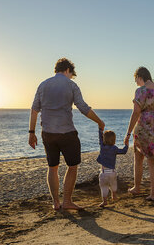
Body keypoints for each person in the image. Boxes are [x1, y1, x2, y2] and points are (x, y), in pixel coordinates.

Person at [28, 58, 105, 210]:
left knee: (52, 167)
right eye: (71, 74)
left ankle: (56, 203)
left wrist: (31, 133)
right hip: (66, 133)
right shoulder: (71, 85)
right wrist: (99, 122)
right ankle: (67, 201)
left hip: (48, 133)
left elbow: (34, 110)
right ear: (68, 70)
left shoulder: (43, 85)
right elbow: (83, 108)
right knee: (72, 166)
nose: (71, 77)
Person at [124, 67, 154, 201]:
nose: (136, 83)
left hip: (144, 129)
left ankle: (137, 188)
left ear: (139, 77)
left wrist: (128, 132)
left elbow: (136, 112)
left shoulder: (140, 91)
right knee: (152, 161)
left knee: (138, 158)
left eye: (136, 80)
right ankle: (152, 193)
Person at [97, 129, 128, 207]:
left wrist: (100, 129)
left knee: (104, 187)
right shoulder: (114, 148)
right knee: (113, 184)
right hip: (112, 172)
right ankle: (114, 195)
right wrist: (126, 145)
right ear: (114, 139)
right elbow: (123, 151)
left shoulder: (102, 147)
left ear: (104, 139)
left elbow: (100, 139)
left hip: (103, 173)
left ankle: (104, 201)